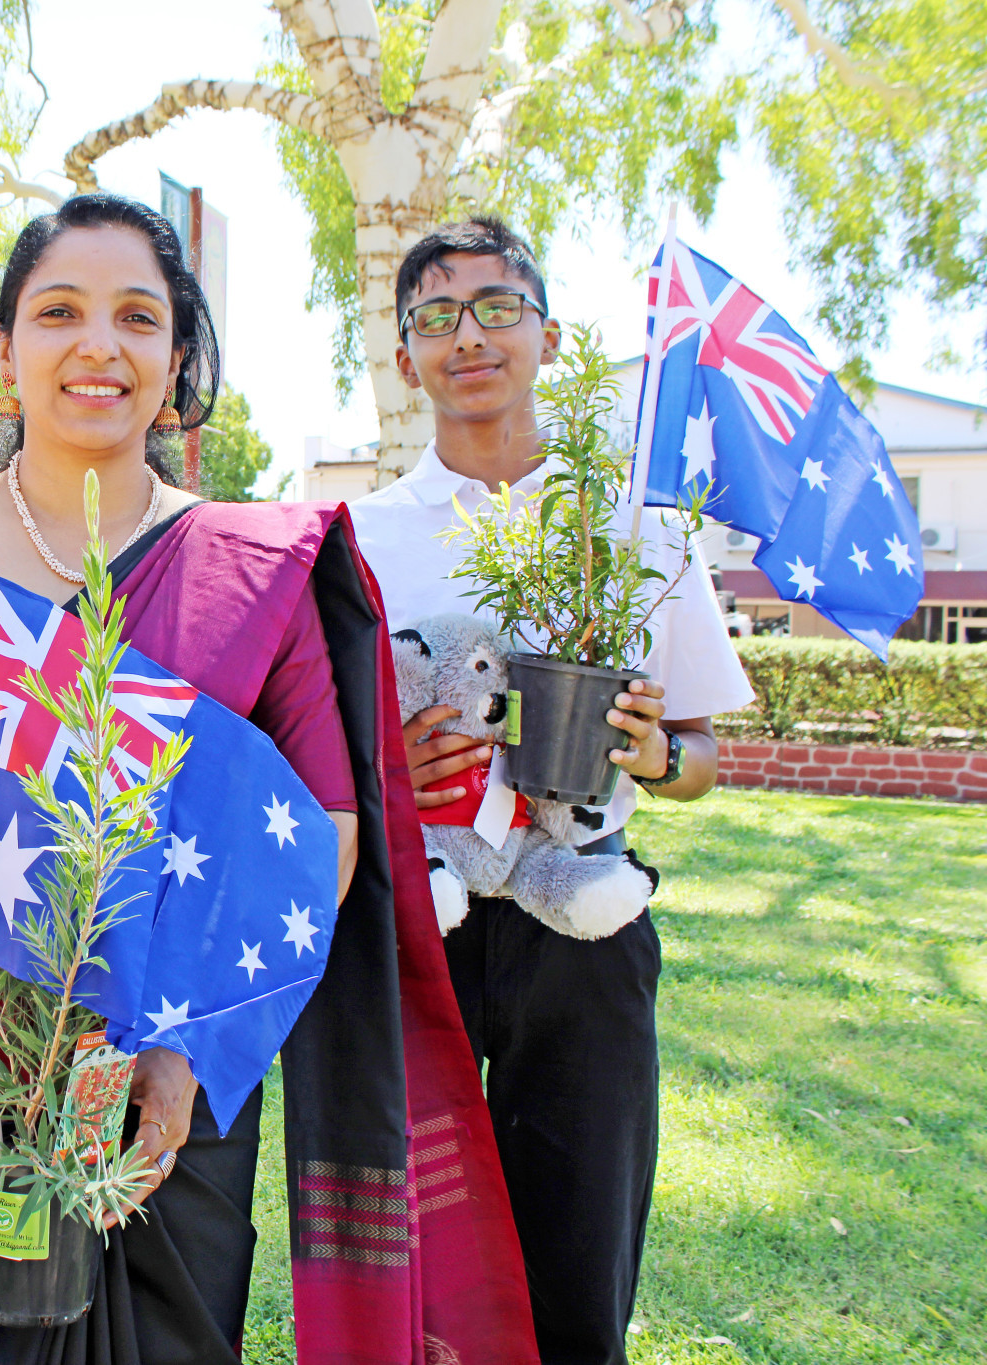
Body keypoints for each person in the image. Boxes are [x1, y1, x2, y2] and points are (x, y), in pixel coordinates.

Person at [0, 194, 535, 1365]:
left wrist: (183, 1045)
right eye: (58, 312)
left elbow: (324, 835)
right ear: (6, 351)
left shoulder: (255, 569)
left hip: (165, 1102)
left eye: (137, 316)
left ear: (176, 357)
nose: (98, 345)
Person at [347, 216, 754, 1365]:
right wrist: (393, 769)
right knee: (415, 1280)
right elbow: (321, 751)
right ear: (402, 357)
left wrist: (646, 754)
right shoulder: (360, 538)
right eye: (432, 316)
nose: (465, 336)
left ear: (548, 334)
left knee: (577, 1271)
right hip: (419, 933)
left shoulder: (636, 528)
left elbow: (698, 758)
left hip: (587, 930)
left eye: (493, 307)